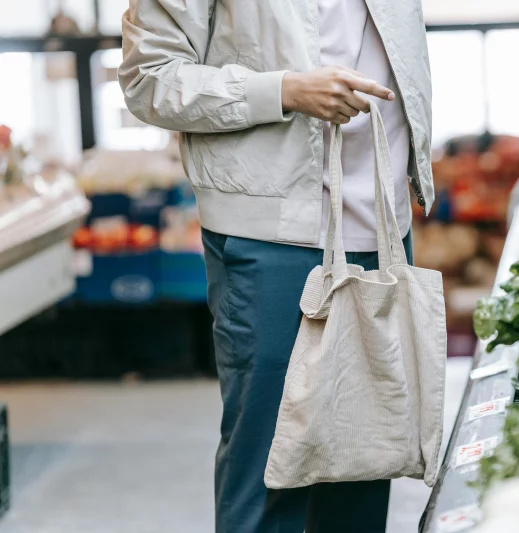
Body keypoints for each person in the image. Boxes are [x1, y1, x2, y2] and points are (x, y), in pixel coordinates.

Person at [119, 0, 433, 531]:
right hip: (271, 233)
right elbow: (148, 79)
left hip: (381, 224)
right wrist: (283, 90)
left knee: (363, 467)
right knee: (268, 474)